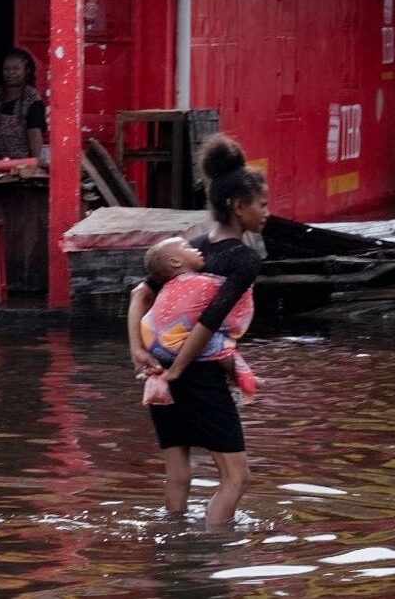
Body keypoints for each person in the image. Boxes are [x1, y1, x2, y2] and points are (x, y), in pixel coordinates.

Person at [126, 133, 269, 529]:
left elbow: (140, 294)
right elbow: (209, 321)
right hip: (197, 376)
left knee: (179, 476)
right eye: (262, 204)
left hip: (159, 374)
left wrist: (138, 351)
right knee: (236, 477)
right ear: (238, 206)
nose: (267, 212)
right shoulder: (243, 259)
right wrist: (179, 371)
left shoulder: (193, 250)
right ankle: (212, 556)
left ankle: (171, 556)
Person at [138, 237, 259, 406]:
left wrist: (137, 349)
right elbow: (232, 298)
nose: (198, 250)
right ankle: (243, 376)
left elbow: (138, 294)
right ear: (175, 261)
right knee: (222, 344)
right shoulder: (202, 282)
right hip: (171, 347)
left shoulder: (167, 286)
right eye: (188, 248)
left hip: (152, 343)